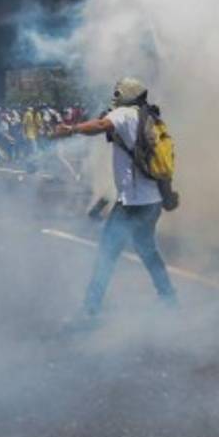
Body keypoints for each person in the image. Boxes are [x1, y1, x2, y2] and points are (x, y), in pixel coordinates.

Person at [54, 77, 177, 325]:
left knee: (106, 255)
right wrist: (168, 196)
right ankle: (169, 298)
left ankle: (90, 310)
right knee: (147, 250)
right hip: (151, 202)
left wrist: (71, 129)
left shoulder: (124, 114)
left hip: (132, 204)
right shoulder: (150, 117)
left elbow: (100, 125)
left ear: (125, 96)